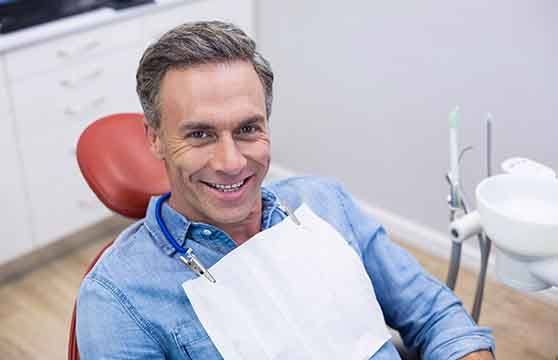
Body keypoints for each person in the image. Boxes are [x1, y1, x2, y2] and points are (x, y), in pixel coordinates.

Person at [76, 21, 495, 359]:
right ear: (154, 139)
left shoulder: (325, 204)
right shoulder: (119, 299)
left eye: (247, 129)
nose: (232, 162)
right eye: (200, 134)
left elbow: (436, 315)